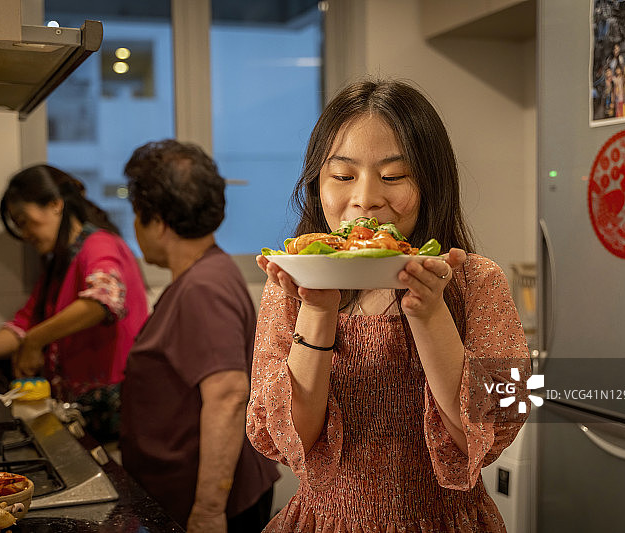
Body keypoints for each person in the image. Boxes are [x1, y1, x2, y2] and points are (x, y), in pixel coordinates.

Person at [247, 79, 532, 531]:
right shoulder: (292, 283)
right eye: (342, 176)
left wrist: (429, 312)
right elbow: (293, 441)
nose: (365, 199)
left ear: (431, 181)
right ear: (317, 183)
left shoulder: (479, 281)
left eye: (394, 176)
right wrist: (317, 310)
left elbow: (480, 438)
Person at [119, 140, 280, 533]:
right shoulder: (206, 273)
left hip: (212, 509)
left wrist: (208, 511)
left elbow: (227, 394)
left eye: (137, 215)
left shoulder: (202, 288)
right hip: (181, 495)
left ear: (157, 220)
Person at [0, 164, 148, 443]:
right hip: (85, 415)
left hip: (115, 415)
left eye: (24, 221)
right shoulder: (59, 264)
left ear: (55, 205)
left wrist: (34, 341)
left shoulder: (99, 245)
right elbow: (25, 323)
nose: (25, 234)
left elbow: (104, 300)